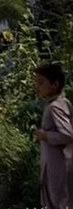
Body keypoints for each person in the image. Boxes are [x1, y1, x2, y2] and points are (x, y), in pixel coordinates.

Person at [34, 62, 73, 209]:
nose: (37, 86)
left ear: (55, 84)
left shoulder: (55, 106)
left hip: (58, 166)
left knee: (60, 202)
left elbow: (67, 134)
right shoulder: (60, 103)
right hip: (54, 164)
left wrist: (45, 135)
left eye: (41, 82)